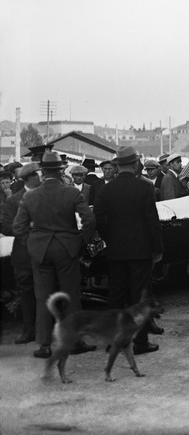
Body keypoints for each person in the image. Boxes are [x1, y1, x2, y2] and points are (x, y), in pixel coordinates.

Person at [12, 151, 97, 359]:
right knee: (71, 296)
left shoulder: (29, 196)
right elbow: (89, 220)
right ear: (61, 171)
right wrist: (80, 241)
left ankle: (44, 345)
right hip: (67, 249)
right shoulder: (71, 193)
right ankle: (74, 341)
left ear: (42, 172)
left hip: (40, 251)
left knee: (43, 297)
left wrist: (31, 243)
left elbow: (18, 227)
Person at [94, 146, 163, 355]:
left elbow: (100, 220)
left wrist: (110, 239)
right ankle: (140, 343)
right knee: (139, 297)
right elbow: (152, 220)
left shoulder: (106, 190)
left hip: (116, 251)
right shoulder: (144, 188)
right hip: (140, 251)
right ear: (135, 165)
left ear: (117, 165)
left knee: (115, 296)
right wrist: (157, 247)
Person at [1, 163, 41, 344]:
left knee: (45, 292)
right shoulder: (13, 201)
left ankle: (44, 330)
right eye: (38, 175)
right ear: (31, 177)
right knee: (26, 293)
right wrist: (28, 228)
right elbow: (6, 226)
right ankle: (28, 330)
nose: (41, 178)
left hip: (43, 252)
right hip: (23, 254)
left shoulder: (44, 195)